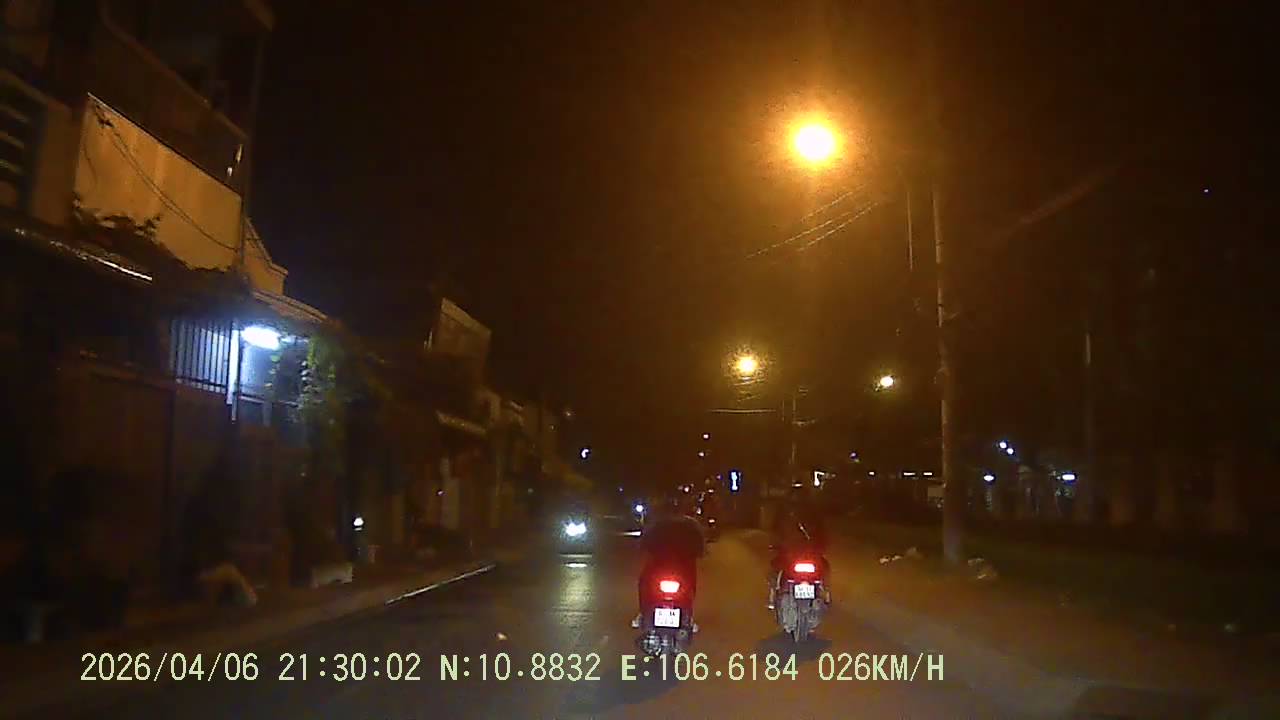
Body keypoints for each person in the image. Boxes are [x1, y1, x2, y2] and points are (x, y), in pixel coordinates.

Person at [632, 496, 705, 631]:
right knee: (690, 586)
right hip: (681, 567)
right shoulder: (691, 525)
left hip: (660, 566)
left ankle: (643, 613)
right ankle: (688, 617)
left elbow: (643, 543)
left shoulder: (656, 524)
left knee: (644, 584)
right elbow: (700, 546)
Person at [767, 487, 830, 610]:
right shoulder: (814, 511)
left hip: (792, 552)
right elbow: (822, 531)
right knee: (824, 569)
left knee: (775, 568)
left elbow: (775, 530)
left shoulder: (784, 510)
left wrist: (775, 545)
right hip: (808, 553)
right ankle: (825, 592)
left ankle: (772, 595)